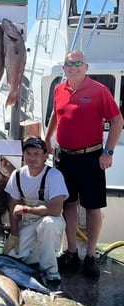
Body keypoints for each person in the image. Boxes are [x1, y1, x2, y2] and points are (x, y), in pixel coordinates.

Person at [45, 50, 124, 279]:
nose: (73, 67)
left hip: (91, 157)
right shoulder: (59, 89)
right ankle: (71, 251)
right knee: (68, 204)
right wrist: (48, 139)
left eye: (78, 63)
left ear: (86, 67)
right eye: (69, 63)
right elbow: (54, 116)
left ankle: (90, 256)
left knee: (92, 207)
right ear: (64, 68)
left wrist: (108, 152)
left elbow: (117, 120)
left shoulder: (99, 91)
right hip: (64, 156)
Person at [3, 137, 68, 286]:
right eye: (29, 153)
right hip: (28, 223)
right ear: (23, 155)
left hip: (51, 220)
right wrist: (14, 235)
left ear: (45, 156)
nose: (32, 158)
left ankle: (51, 271)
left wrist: (26, 209)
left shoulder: (54, 176)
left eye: (36, 154)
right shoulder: (17, 175)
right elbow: (13, 206)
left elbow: (56, 209)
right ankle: (37, 260)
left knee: (48, 224)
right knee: (11, 258)